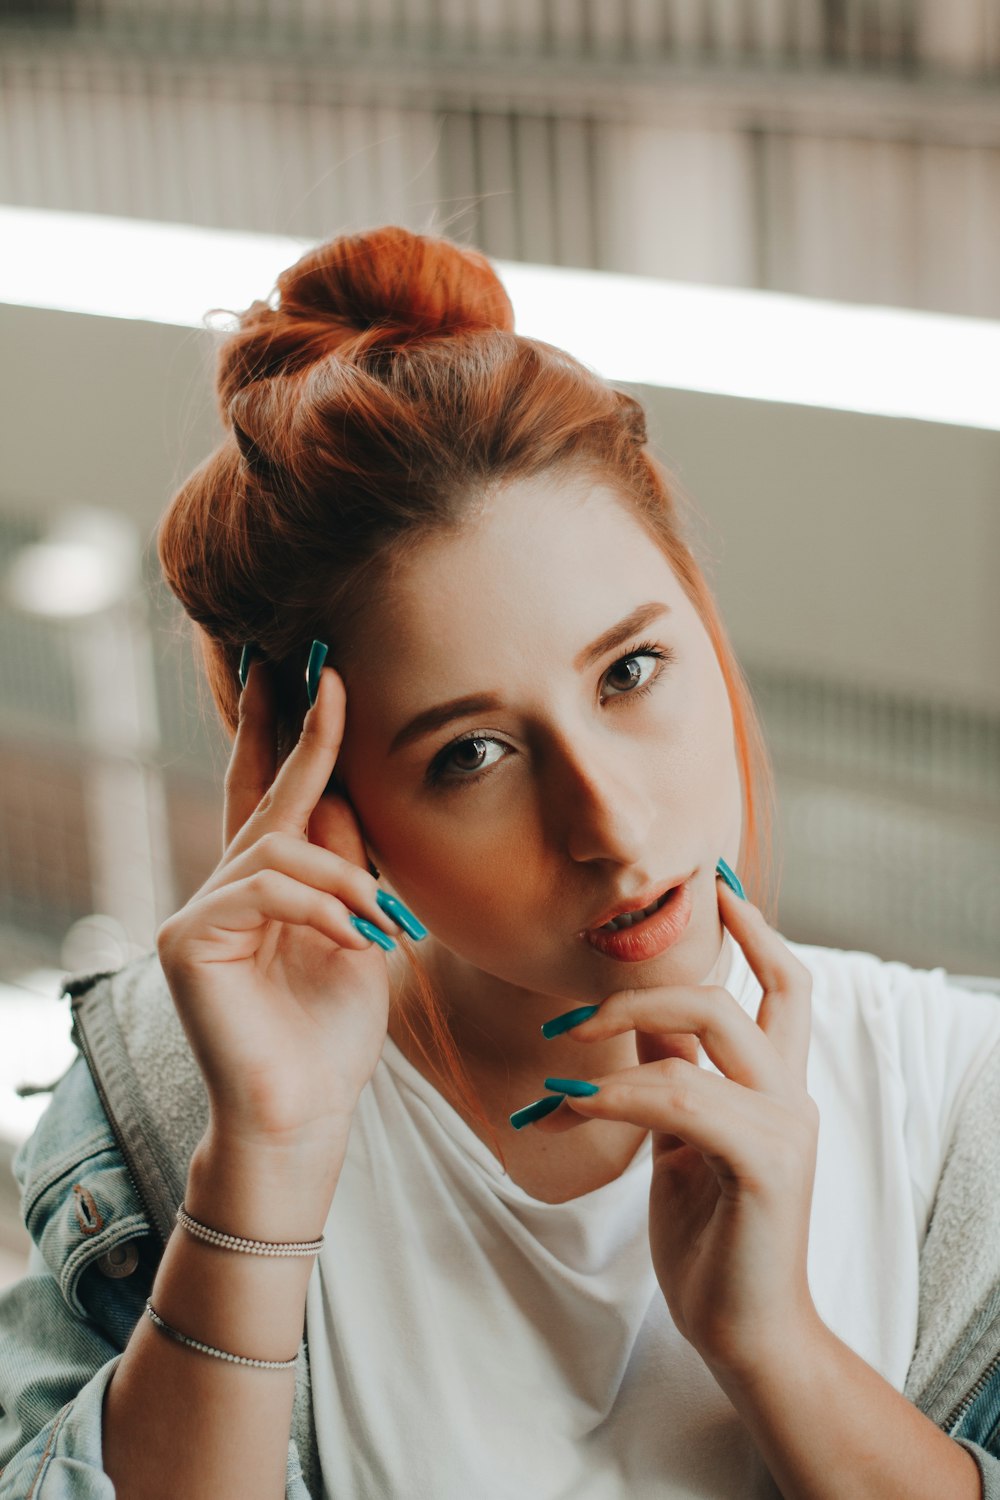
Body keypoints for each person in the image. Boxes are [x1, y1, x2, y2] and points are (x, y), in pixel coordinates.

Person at [1, 226, 998, 1500]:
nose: (615, 828)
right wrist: (269, 1163)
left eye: (631, 673)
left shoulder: (961, 1110)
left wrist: (777, 1349)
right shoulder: (176, 1105)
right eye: (471, 754)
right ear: (321, 795)